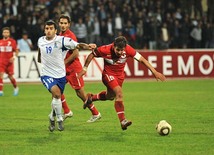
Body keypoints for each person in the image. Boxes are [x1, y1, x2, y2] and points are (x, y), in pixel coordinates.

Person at [78, 36, 166, 130]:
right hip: (108, 75)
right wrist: (85, 68)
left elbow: (142, 59)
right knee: (119, 93)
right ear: (113, 46)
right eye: (118, 50)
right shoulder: (105, 49)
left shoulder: (128, 49)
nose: (120, 52)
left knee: (110, 96)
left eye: (122, 50)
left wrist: (154, 72)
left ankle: (91, 98)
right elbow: (92, 54)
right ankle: (123, 120)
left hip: (120, 77)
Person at [37, 20, 96, 132]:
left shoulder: (62, 40)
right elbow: (40, 53)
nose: (48, 31)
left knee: (58, 97)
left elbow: (77, 46)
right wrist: (40, 58)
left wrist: (88, 46)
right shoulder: (40, 40)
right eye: (46, 28)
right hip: (46, 74)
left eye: (50, 29)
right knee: (57, 93)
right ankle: (60, 119)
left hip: (60, 75)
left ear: (55, 30)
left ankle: (52, 116)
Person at [58, 14, 101, 122]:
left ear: (69, 24)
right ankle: (67, 111)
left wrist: (64, 62)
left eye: (65, 23)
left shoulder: (70, 36)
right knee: (57, 89)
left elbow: (76, 53)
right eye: (61, 23)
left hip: (73, 68)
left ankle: (96, 113)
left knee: (80, 93)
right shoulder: (60, 35)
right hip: (65, 69)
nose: (63, 25)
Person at [0, 27, 19, 96]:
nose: (6, 33)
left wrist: (13, 57)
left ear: (9, 33)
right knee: (1, 75)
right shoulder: (0, 42)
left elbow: (16, 51)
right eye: (4, 32)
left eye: (7, 32)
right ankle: (1, 91)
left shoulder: (12, 41)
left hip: (9, 62)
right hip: (1, 61)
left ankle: (16, 87)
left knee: (10, 76)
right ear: (2, 33)